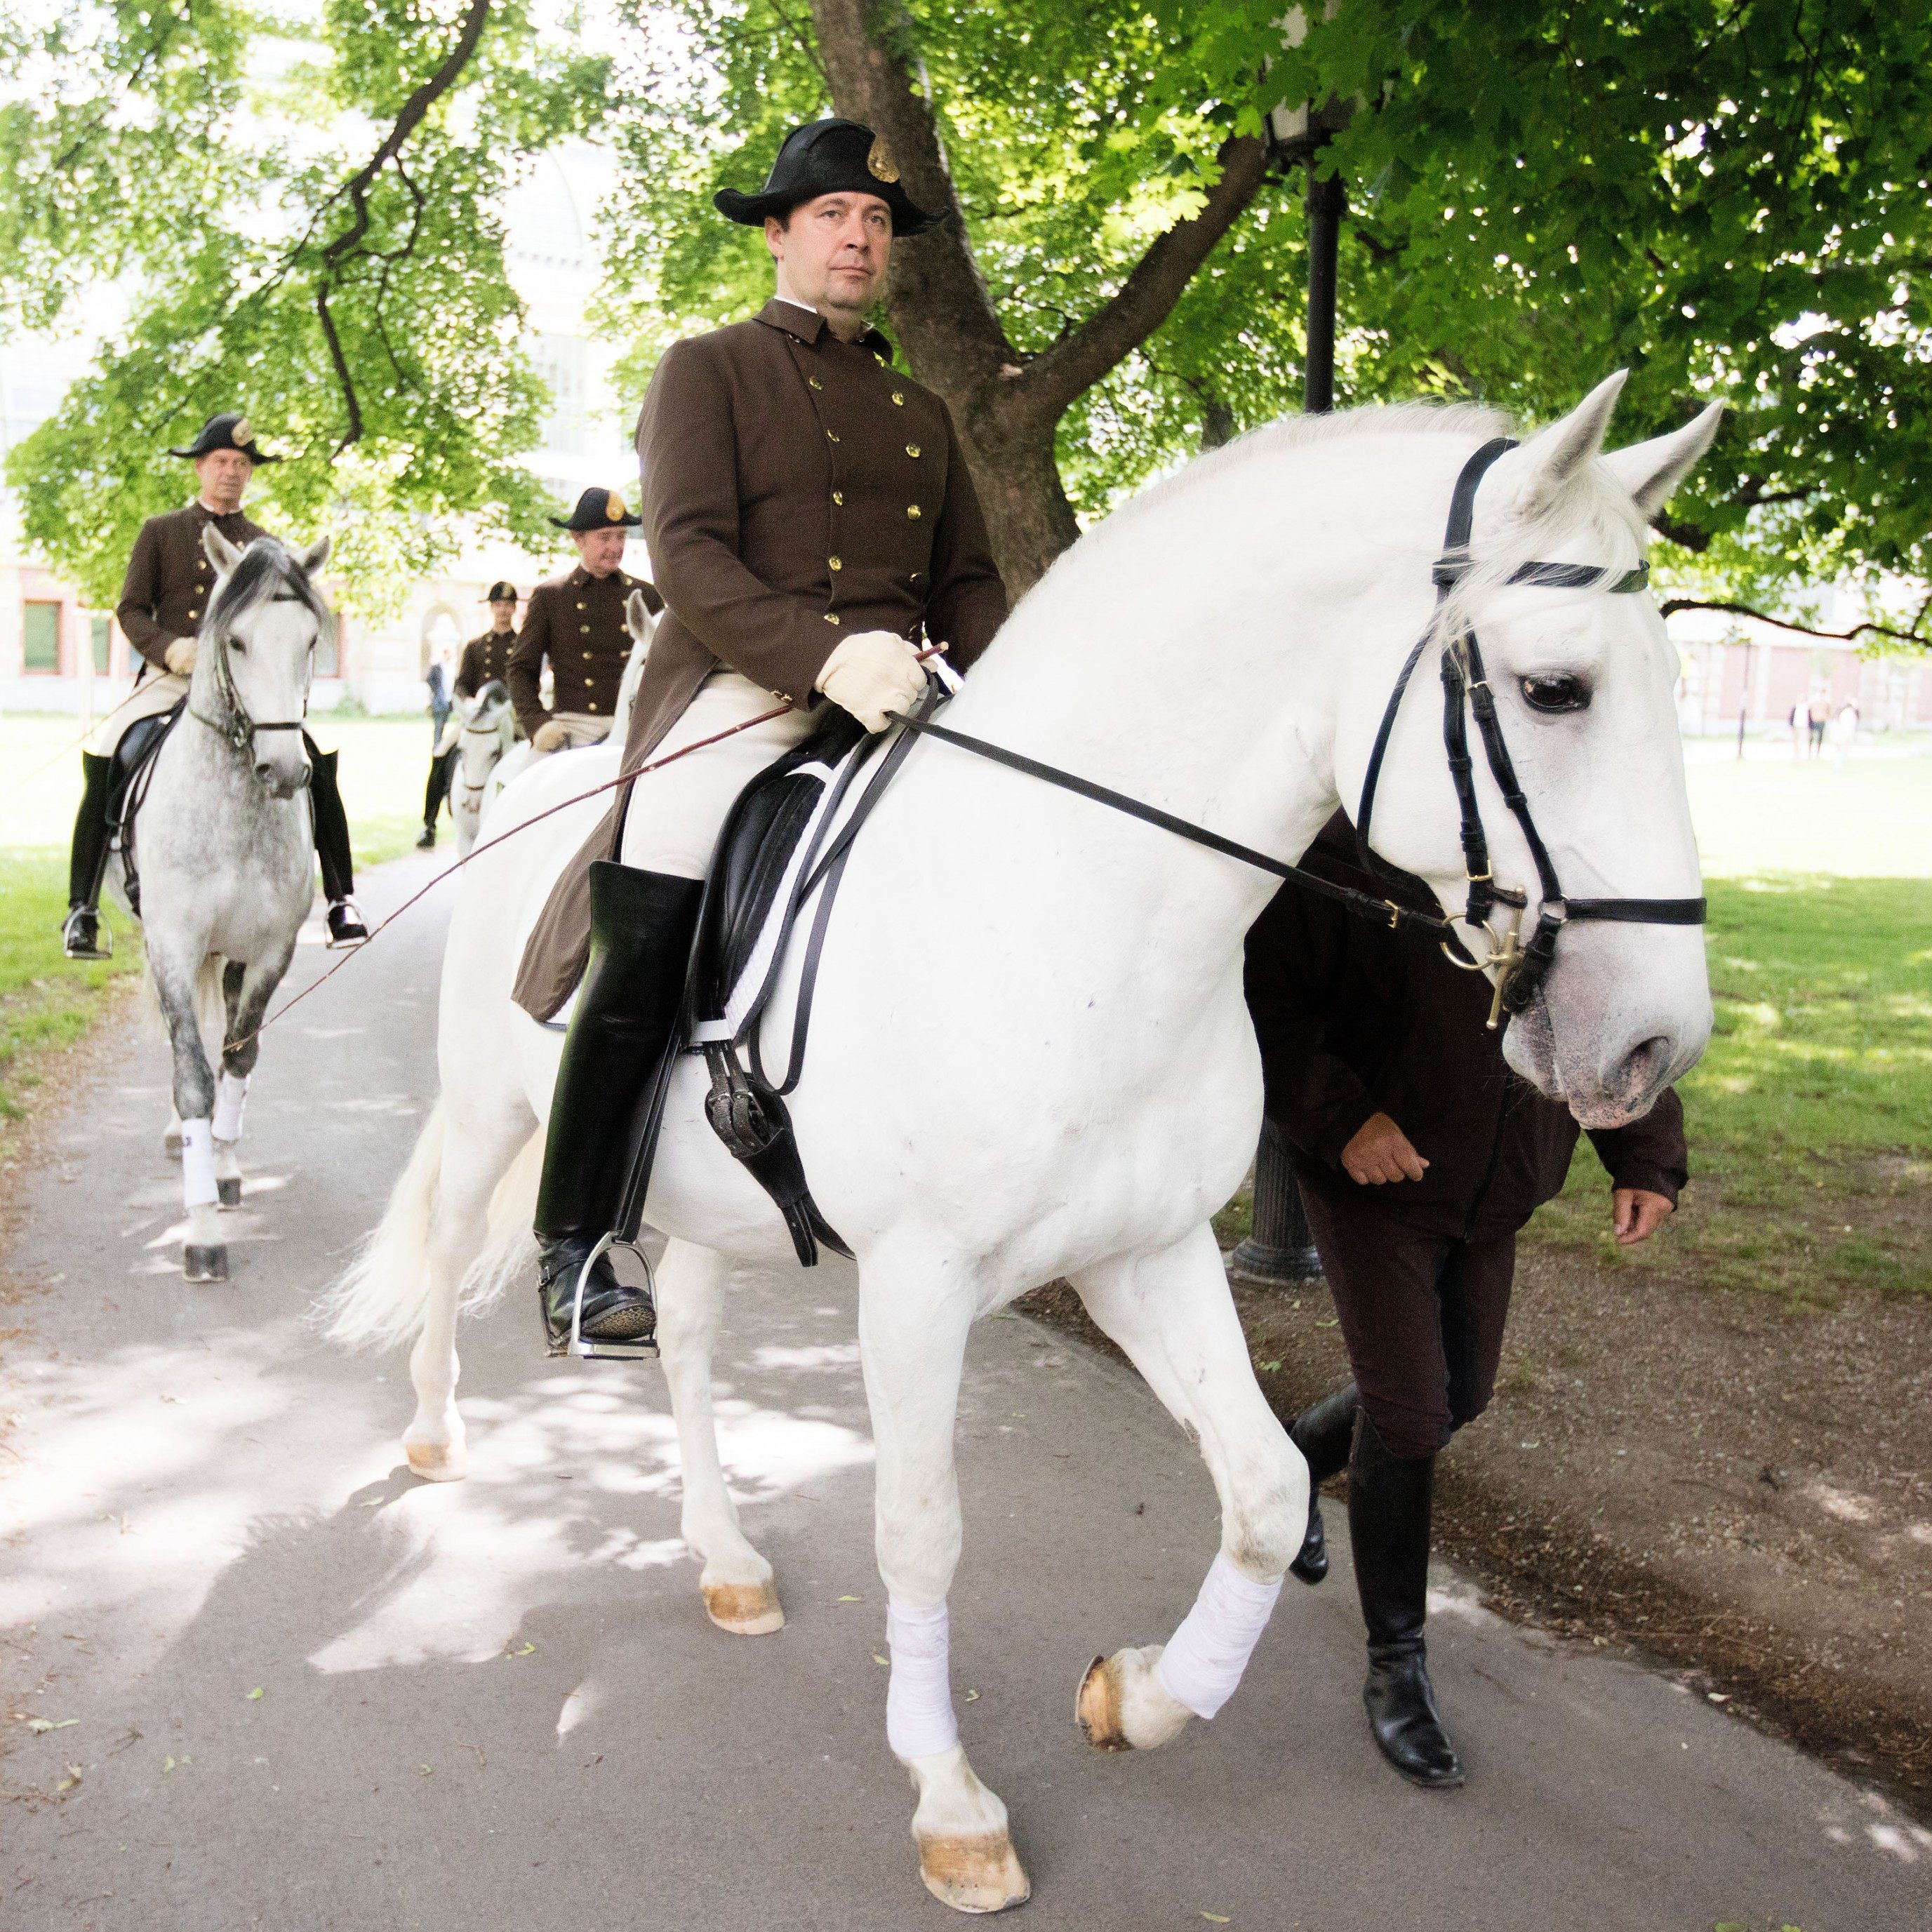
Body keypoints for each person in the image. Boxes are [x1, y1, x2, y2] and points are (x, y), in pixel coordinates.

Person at [509, 116, 1008, 1352]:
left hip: (905, 696)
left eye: (878, 220)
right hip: (750, 689)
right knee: (659, 904)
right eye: (835, 214)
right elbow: (685, 558)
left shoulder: (920, 410)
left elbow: (970, 582)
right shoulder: (709, 367)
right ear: (779, 232)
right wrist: (824, 651)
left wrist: (1000, 677)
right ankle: (576, 1243)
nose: (858, 236)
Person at [1245, 814, 1687, 1789]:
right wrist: (1344, 1118)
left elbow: (1615, 1005)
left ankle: (1287, 1461)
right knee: (1409, 1414)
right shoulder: (1342, 847)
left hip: (1498, 1177)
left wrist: (1643, 1153)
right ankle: (1395, 1663)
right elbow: (1266, 1003)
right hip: (1373, 1174)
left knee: (1459, 1398)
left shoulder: (1563, 842)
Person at [62, 411, 366, 957]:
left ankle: (342, 899)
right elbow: (130, 609)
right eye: (222, 461)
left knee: (315, 759)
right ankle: (82, 909)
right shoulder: (161, 532)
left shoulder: (265, 545)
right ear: (201, 467)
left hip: (248, 689)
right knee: (109, 754)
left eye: (242, 464)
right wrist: (171, 648)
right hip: (171, 679)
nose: (231, 472)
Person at [507, 495, 662, 754]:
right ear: (578, 539)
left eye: (620, 536)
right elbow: (521, 669)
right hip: (573, 730)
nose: (615, 546)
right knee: (530, 790)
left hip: (639, 730)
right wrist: (538, 724)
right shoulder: (551, 596)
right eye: (604, 537)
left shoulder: (646, 594)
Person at [418, 584, 521, 851]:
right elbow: (462, 683)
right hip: (477, 719)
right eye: (498, 605)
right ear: (492, 608)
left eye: (508, 605)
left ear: (514, 608)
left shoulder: (521, 645)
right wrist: (466, 701)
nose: (503, 610)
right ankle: (429, 824)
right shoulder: (476, 646)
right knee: (442, 751)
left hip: (509, 717)